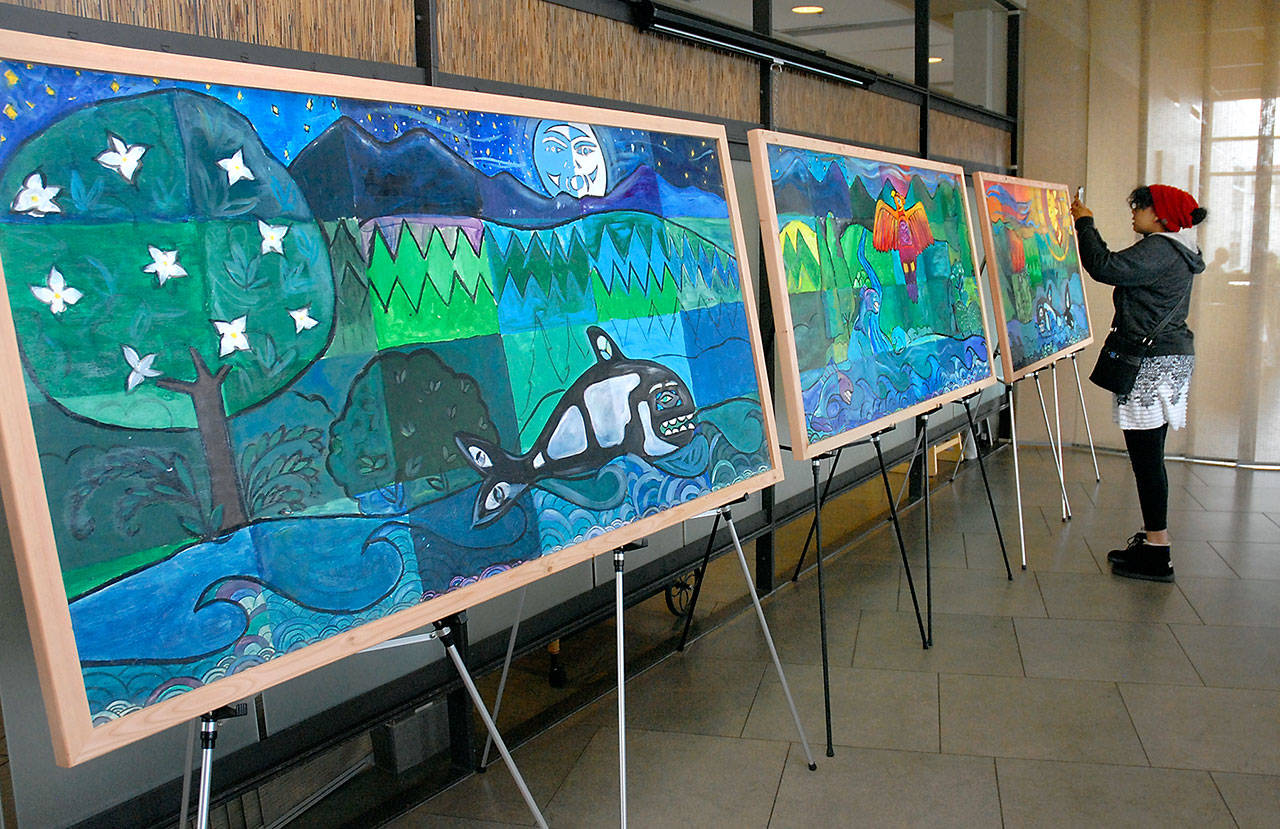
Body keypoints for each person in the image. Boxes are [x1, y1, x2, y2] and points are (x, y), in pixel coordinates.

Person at [1070, 184, 1207, 582]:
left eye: (1140, 207)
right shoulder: (1180, 249)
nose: (1134, 214)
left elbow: (1104, 266)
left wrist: (1085, 223)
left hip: (1153, 364)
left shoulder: (1162, 249)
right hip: (1168, 358)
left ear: (1160, 214)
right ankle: (1153, 543)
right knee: (1150, 457)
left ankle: (1158, 551)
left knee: (1147, 459)